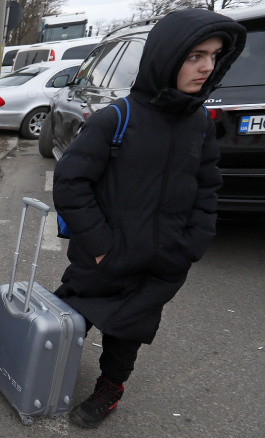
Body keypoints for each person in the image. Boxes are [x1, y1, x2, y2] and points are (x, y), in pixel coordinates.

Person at [52, 9, 246, 429]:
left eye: (214, 56)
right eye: (196, 55)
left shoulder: (199, 123)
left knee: (128, 330)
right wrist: (101, 246)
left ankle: (111, 387)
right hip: (105, 256)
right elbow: (71, 184)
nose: (207, 66)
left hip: (162, 262)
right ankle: (44, 373)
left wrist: (190, 245)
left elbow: (208, 187)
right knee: (68, 320)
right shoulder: (116, 119)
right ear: (166, 55)